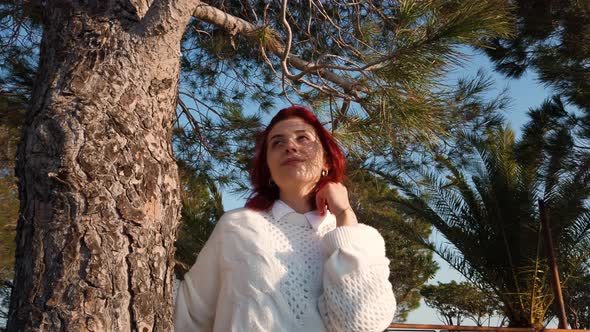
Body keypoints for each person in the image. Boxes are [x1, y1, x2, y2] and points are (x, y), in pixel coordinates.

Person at [175, 106, 396, 331]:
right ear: (268, 167)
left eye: (303, 138)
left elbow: (361, 325)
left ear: (326, 161)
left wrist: (345, 215)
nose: (290, 146)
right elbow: (189, 313)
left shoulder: (357, 239)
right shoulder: (237, 226)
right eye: (277, 143)